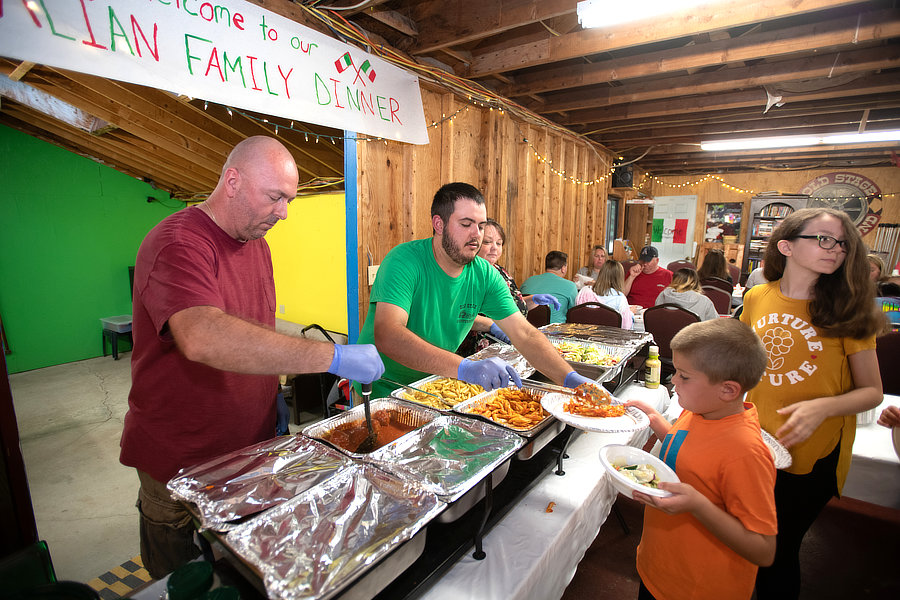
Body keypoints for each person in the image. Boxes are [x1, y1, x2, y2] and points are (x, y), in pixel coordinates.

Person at [119, 137, 385, 579]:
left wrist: (270, 394)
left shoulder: (256, 244)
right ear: (232, 181)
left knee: (240, 574)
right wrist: (330, 356)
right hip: (181, 463)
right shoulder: (178, 242)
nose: (283, 213)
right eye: (275, 197)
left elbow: (253, 328)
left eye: (290, 200)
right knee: (184, 582)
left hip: (249, 452)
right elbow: (203, 335)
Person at [739, 207, 883, 599]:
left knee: (778, 550)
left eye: (841, 242)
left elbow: (872, 391)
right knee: (748, 542)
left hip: (813, 453)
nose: (834, 249)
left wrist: (821, 407)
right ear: (786, 245)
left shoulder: (849, 307)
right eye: (822, 238)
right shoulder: (756, 296)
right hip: (758, 442)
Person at [357, 182, 594, 398]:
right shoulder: (404, 261)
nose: (476, 235)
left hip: (432, 385)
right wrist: (465, 367)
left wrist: (571, 379)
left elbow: (525, 334)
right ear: (438, 224)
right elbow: (388, 335)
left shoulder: (484, 273)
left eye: (481, 226)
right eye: (466, 224)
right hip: (380, 387)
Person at [626, 318, 776, 600]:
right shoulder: (698, 410)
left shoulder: (746, 451)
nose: (673, 379)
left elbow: (764, 550)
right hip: (659, 567)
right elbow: (688, 450)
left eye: (684, 375)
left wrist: (698, 506)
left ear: (728, 390)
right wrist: (656, 421)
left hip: (699, 587)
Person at [462, 219, 560, 351]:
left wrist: (531, 300)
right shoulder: (467, 273)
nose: (494, 248)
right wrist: (491, 325)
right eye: (487, 242)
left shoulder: (501, 272)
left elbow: (506, 305)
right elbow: (459, 312)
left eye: (499, 243)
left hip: (509, 346)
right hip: (479, 350)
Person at [520, 251, 579, 323]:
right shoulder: (571, 286)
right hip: (556, 332)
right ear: (563, 268)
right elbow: (574, 313)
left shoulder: (528, 281)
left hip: (525, 330)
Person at [575, 259, 634, 328]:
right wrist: (630, 313)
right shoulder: (620, 299)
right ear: (619, 278)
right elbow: (626, 327)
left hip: (584, 335)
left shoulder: (584, 292)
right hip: (610, 337)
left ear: (601, 273)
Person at [654, 268, 719, 321]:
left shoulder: (662, 295)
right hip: (692, 336)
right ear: (694, 283)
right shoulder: (704, 301)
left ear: (674, 280)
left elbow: (655, 318)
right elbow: (715, 324)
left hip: (664, 335)